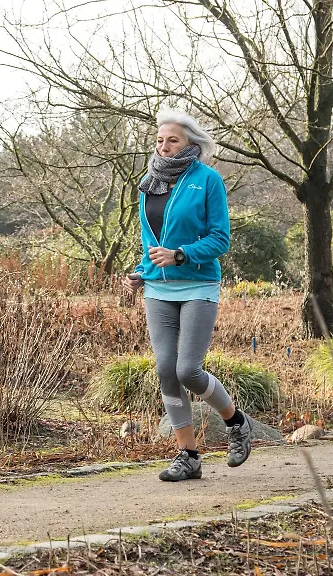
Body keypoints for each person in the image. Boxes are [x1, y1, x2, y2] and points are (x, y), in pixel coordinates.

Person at [122, 109, 251, 482]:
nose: (164, 146)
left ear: (191, 143)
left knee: (187, 370)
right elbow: (152, 243)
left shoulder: (207, 180)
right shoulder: (149, 181)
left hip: (198, 285)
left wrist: (181, 254)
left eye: (172, 140)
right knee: (165, 370)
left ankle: (236, 423)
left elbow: (220, 239)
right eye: (160, 140)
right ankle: (188, 455)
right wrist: (141, 273)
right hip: (159, 289)